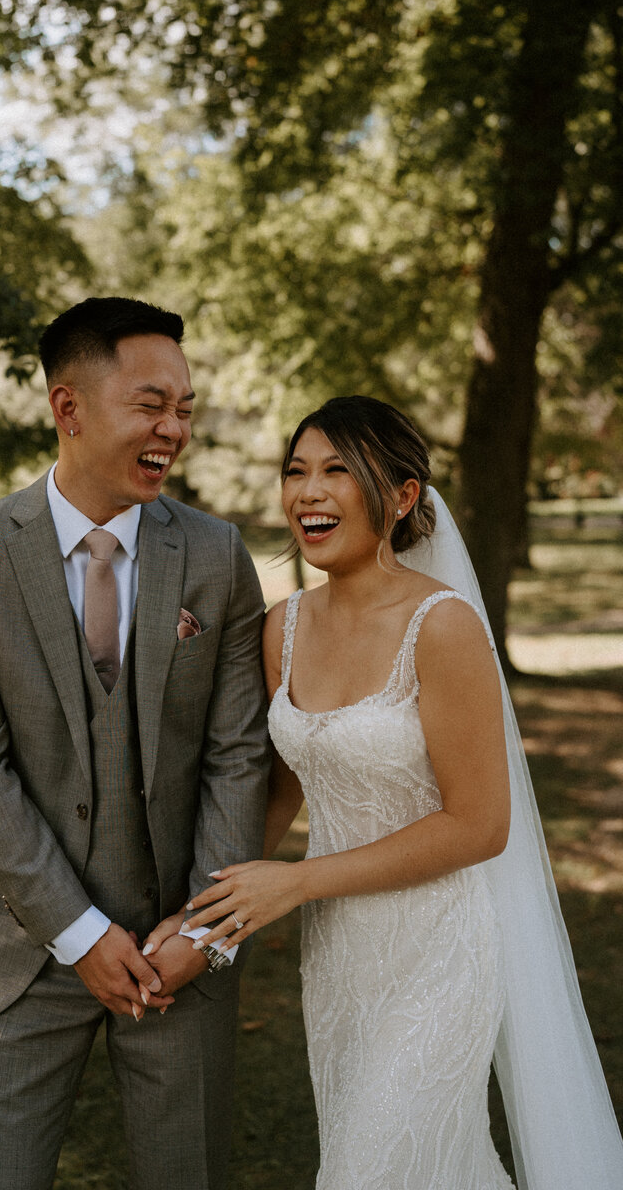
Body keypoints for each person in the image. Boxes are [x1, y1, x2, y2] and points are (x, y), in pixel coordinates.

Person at [157, 396, 623, 1189]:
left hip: (440, 950)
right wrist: (203, 920)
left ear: (403, 497)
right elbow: (277, 795)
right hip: (342, 959)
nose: (309, 491)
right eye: (297, 471)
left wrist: (298, 882)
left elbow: (478, 826)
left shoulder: (442, 626)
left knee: (373, 1170)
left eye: (338, 470)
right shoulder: (284, 629)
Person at [0, 296, 269, 1190]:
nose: (174, 428)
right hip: (17, 956)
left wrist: (207, 929)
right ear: (68, 408)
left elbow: (238, 754)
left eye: (184, 408)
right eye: (152, 404)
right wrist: (76, 932)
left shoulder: (218, 556)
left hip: (181, 949)